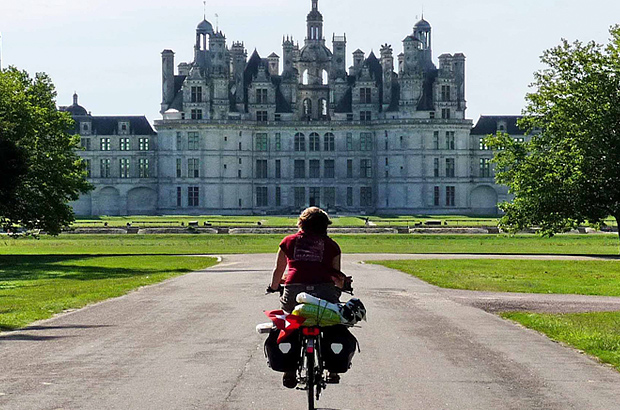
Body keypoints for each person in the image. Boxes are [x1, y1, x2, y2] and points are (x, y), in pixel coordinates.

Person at [268, 206, 345, 388]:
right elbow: (337, 277)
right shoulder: (332, 245)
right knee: (331, 323)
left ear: (301, 222)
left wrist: (273, 287)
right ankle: (333, 369)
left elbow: (279, 271)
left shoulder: (288, 241)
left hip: (294, 290)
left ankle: (289, 370)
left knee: (290, 324)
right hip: (324, 291)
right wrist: (340, 289)